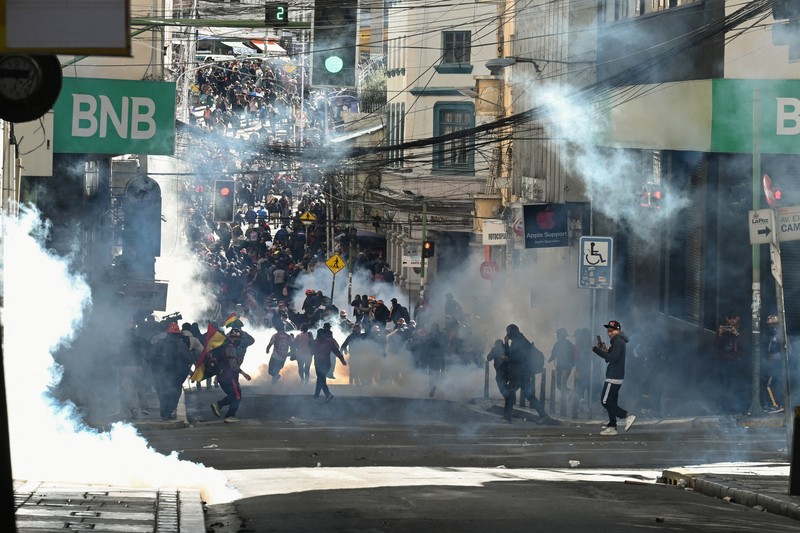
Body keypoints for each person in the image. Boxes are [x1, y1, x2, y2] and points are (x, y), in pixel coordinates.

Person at [592, 320, 635, 435]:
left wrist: (596, 350)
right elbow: (609, 357)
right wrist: (604, 349)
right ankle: (612, 426)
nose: (609, 333)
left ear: (618, 330)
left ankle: (627, 416)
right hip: (616, 376)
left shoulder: (618, 342)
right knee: (612, 402)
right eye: (608, 331)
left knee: (605, 401)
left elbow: (612, 359)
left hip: (613, 376)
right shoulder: (617, 342)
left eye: (612, 331)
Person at [503, 324, 551, 424]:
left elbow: (521, 359)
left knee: (511, 393)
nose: (507, 334)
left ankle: (507, 417)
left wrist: (509, 359)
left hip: (520, 374)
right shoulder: (517, 340)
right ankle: (544, 415)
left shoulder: (521, 342)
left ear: (512, 332)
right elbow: (511, 354)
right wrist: (506, 344)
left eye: (508, 332)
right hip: (521, 373)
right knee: (528, 395)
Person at [149, 322, 195, 421]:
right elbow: (189, 359)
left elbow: (151, 357)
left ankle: (165, 411)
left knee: (162, 393)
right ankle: (168, 411)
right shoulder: (181, 345)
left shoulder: (160, 344)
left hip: (162, 375)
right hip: (176, 376)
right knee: (174, 394)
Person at [211, 327, 253, 423]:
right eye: (237, 338)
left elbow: (251, 340)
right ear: (233, 338)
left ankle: (225, 411)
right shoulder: (230, 347)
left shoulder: (227, 345)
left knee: (235, 395)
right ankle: (224, 410)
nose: (239, 340)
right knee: (237, 396)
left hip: (225, 376)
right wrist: (244, 373)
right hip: (229, 376)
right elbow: (232, 364)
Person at [716, 312, 750, 415]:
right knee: (725, 386)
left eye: (734, 318)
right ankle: (726, 409)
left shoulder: (743, 330)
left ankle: (740, 408)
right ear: (726, 318)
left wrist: (737, 334)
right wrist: (720, 334)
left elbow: (746, 346)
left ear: (738, 318)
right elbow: (715, 346)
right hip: (724, 362)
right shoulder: (723, 330)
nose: (731, 320)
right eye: (729, 318)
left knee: (738, 385)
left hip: (738, 362)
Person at [312, 326, 347, 402]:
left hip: (319, 364)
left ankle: (327, 394)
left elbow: (311, 352)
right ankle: (316, 395)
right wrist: (342, 360)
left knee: (321, 379)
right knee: (321, 379)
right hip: (327, 364)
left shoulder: (315, 343)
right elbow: (336, 351)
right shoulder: (329, 342)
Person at [549, 327, 575, 417]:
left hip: (561, 367)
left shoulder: (558, 344)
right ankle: (567, 396)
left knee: (560, 385)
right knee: (561, 385)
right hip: (568, 367)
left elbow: (553, 355)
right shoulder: (569, 344)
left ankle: (568, 395)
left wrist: (548, 360)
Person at [762, 313, 785, 414]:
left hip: (777, 366)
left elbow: (788, 351)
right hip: (770, 365)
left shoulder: (781, 335)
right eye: (770, 325)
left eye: (774, 324)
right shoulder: (770, 336)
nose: (772, 326)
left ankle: (777, 405)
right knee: (766, 384)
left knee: (769, 385)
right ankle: (771, 405)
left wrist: (776, 356)